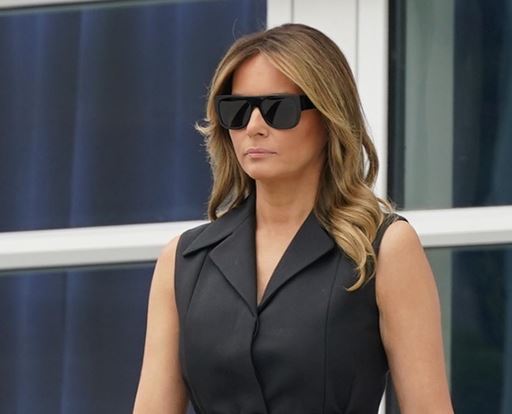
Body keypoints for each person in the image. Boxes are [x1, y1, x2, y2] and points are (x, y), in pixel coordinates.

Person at [133, 23, 454, 414]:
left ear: (329, 117)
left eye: (278, 109)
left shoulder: (384, 248)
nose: (254, 127)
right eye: (236, 111)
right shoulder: (183, 261)